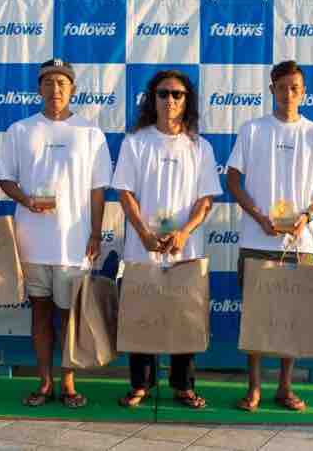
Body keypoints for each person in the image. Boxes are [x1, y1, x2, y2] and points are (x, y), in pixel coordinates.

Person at [0, 58, 112, 409]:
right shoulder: (20, 130)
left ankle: (69, 382)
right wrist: (26, 200)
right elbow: (5, 179)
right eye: (48, 82)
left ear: (72, 89)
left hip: (73, 244)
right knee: (40, 315)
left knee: (70, 318)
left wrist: (96, 233)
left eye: (62, 83)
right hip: (32, 242)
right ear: (39, 89)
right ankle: (45, 382)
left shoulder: (90, 133)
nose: (55, 89)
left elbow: (97, 190)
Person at [228, 60, 313, 412]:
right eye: (281, 87)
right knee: (256, 316)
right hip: (256, 239)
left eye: (294, 88)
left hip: (299, 242)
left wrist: (307, 215)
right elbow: (233, 180)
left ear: (304, 93)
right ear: (271, 90)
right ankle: (254, 388)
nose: (288, 94)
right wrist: (258, 216)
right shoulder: (252, 130)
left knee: (293, 316)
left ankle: (285, 387)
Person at [112, 70, 222, 409]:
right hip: (142, 246)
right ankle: (140, 384)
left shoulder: (200, 146)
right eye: (163, 93)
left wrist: (184, 232)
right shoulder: (135, 142)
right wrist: (144, 234)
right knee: (141, 313)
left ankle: (183, 385)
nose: (170, 100)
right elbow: (125, 194)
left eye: (177, 94)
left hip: (184, 247)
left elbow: (206, 199)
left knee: (184, 315)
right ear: (152, 99)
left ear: (187, 100)